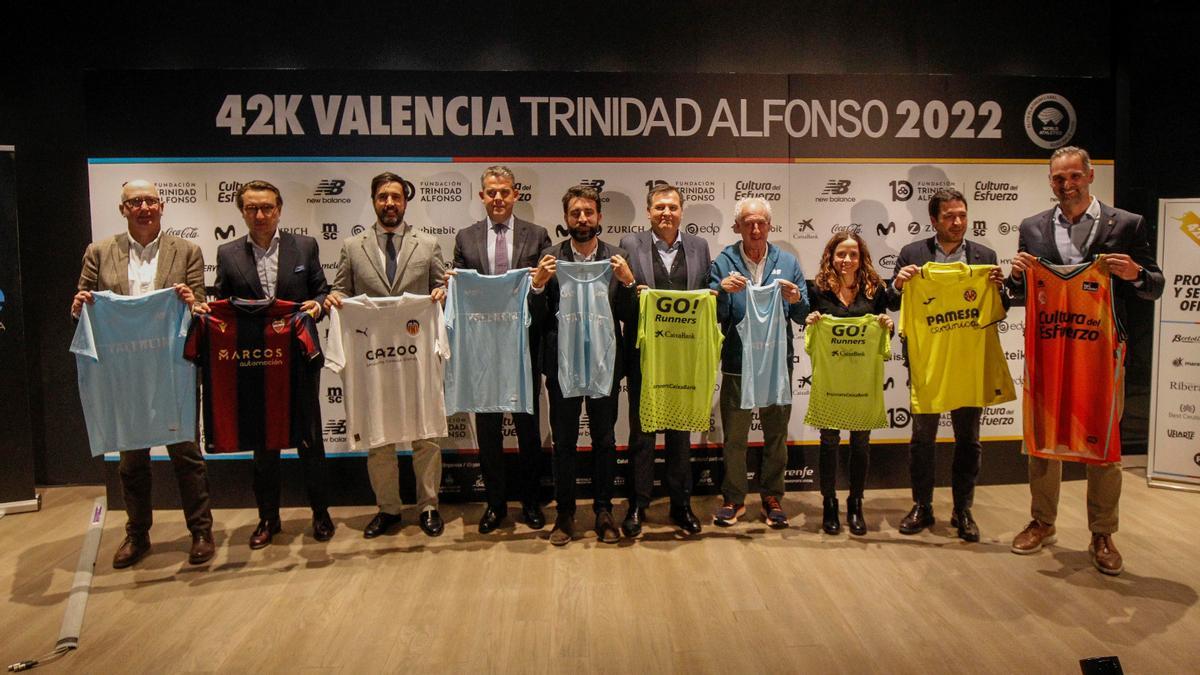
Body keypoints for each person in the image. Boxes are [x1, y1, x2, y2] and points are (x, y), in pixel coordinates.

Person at [1007, 146, 1164, 575]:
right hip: (1050, 344)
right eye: (1059, 178)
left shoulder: (1127, 224)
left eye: (1074, 176)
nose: (1067, 185)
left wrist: (1135, 273)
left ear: (1090, 176)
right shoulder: (1033, 228)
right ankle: (1043, 521)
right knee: (1043, 437)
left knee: (1105, 443)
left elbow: (1155, 285)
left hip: (1103, 348)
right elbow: (1018, 295)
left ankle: (1102, 532)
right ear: (1050, 181)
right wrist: (1018, 276)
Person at [72, 179, 215, 568]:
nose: (144, 207)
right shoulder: (100, 252)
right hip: (124, 372)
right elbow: (81, 305)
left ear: (162, 205)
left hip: (171, 368)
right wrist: (81, 303)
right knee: (131, 459)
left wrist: (192, 303)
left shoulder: (186, 251)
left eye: (150, 200)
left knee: (187, 452)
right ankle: (137, 535)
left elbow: (201, 308)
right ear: (123, 209)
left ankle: (201, 531)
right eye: (135, 201)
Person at [209, 179, 335, 548]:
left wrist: (318, 305)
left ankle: (321, 514)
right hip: (253, 363)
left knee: (311, 441)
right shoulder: (227, 253)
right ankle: (268, 519)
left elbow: (322, 291)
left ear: (279, 209)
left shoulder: (305, 246)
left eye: (267, 207)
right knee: (263, 445)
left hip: (298, 358)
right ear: (242, 212)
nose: (260, 215)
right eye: (252, 208)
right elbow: (222, 305)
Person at [325, 172, 448, 539]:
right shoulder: (352, 246)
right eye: (383, 197)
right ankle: (389, 509)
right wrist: (334, 300)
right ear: (374, 201)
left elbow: (441, 285)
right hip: (373, 360)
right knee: (379, 439)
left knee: (426, 437)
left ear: (405, 202)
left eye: (396, 197)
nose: (390, 203)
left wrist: (442, 293)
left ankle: (428, 506)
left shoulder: (427, 244)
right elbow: (340, 290)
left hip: (416, 358)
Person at [888, 188, 1006, 543]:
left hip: (969, 362)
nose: (958, 222)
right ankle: (922, 505)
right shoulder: (913, 254)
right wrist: (898, 283)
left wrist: (1002, 289)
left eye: (962, 215)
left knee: (968, 439)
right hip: (929, 362)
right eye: (950, 216)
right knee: (922, 437)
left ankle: (962, 509)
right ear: (934, 220)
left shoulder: (984, 255)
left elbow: (1000, 308)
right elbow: (894, 301)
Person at [529, 185, 637, 546]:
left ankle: (604, 511)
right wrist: (539, 287)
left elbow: (629, 316)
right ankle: (565, 515)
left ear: (599, 217)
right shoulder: (550, 257)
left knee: (605, 440)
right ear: (565, 219)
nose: (582, 219)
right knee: (564, 443)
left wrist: (627, 283)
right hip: (562, 364)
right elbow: (536, 319)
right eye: (575, 213)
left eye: (588, 212)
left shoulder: (617, 257)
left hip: (605, 362)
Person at [451, 166, 552, 534]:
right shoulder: (465, 238)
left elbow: (544, 291)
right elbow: (459, 289)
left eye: (504, 192)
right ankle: (495, 505)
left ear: (515, 194)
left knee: (528, 429)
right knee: (489, 430)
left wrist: (538, 286)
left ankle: (530, 502)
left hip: (524, 346)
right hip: (481, 349)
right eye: (491, 192)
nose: (498, 198)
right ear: (482, 196)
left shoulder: (537, 235)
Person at [618, 183, 713, 536]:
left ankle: (681, 504)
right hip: (645, 355)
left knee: (679, 432)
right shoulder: (630, 245)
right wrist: (631, 290)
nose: (666, 213)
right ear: (649, 212)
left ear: (682, 211)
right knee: (642, 433)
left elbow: (709, 297)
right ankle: (638, 505)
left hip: (685, 355)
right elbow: (622, 303)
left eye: (672, 207)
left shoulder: (700, 247)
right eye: (659, 207)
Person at [709, 197, 808, 529]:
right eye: (748, 223)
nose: (755, 229)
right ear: (737, 226)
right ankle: (734, 498)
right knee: (735, 436)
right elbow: (713, 314)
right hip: (737, 363)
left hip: (777, 363)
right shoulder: (724, 261)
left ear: (770, 225)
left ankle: (772, 496)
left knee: (776, 435)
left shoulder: (789, 262)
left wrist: (796, 300)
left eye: (761, 223)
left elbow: (804, 314)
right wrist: (721, 292)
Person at [805, 232, 893, 535]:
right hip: (830, 381)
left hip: (861, 381)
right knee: (829, 442)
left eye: (852, 254)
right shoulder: (817, 290)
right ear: (831, 256)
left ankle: (855, 504)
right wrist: (811, 323)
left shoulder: (875, 290)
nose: (846, 260)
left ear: (861, 257)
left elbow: (883, 336)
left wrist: (887, 326)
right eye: (840, 254)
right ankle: (829, 503)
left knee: (860, 443)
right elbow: (808, 334)